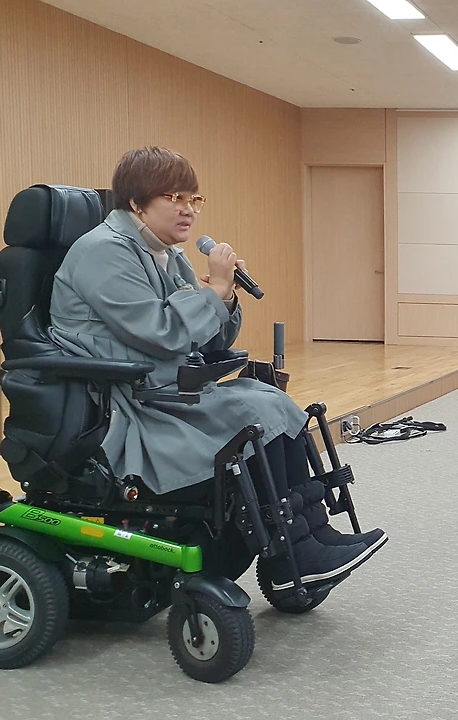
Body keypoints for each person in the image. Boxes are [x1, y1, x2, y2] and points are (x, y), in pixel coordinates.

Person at [50, 147, 386, 589]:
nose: (189, 210)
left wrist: (226, 297)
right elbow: (163, 333)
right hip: (126, 404)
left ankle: (309, 535)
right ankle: (292, 553)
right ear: (136, 202)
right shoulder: (104, 252)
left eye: (195, 199)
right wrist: (217, 289)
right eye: (175, 197)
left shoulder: (167, 254)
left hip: (166, 389)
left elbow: (210, 340)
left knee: (273, 402)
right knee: (251, 418)